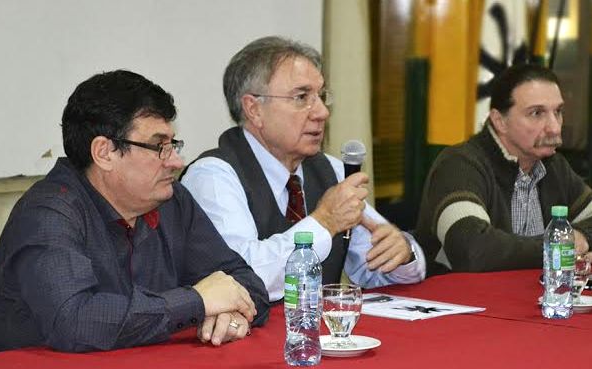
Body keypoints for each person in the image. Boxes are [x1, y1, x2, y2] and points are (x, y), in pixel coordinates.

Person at [0, 70, 269, 355]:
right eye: (159, 147)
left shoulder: (171, 199)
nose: (176, 161)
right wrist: (197, 302)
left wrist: (232, 314)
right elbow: (75, 322)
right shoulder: (48, 212)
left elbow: (243, 281)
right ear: (104, 153)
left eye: (173, 144)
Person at [181, 36, 425, 301]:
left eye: (321, 96)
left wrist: (402, 253)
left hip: (315, 335)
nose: (321, 112)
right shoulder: (213, 177)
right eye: (301, 97)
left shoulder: (330, 170)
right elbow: (241, 279)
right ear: (254, 109)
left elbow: (376, 273)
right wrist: (324, 222)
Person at [415, 64, 592, 275]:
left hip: (524, 299)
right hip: (458, 302)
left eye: (558, 112)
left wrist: (581, 238)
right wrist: (562, 247)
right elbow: (472, 249)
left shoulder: (552, 165)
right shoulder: (459, 164)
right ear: (500, 121)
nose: (554, 127)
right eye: (537, 113)